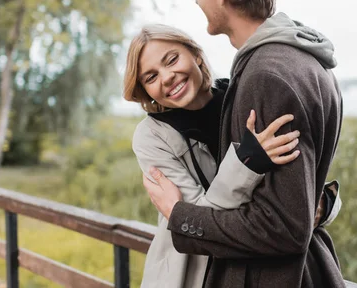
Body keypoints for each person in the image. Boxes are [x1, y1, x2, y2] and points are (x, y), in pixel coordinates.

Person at [142, 0, 346, 287]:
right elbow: (297, 200)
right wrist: (319, 203)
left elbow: (283, 227)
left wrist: (178, 214)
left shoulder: (267, 75)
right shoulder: (308, 62)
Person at [123, 25, 341, 288]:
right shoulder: (151, 137)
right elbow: (196, 218)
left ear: (196, 55)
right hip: (192, 275)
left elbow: (302, 185)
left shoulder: (242, 98)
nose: (166, 77)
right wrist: (248, 159)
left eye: (172, 60)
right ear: (145, 92)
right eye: (150, 77)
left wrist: (325, 204)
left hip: (259, 270)